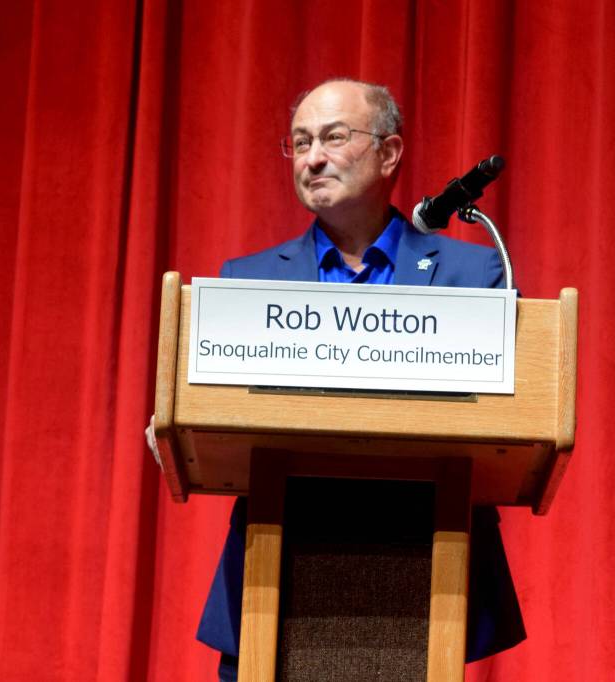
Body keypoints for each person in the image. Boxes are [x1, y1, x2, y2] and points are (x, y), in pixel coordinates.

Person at [195, 78, 525, 681]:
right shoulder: (248, 283)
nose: (312, 156)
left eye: (333, 137)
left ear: (390, 152)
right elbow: (210, 413)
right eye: (299, 142)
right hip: (283, 558)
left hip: (425, 557)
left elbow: (513, 413)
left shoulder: (475, 273)